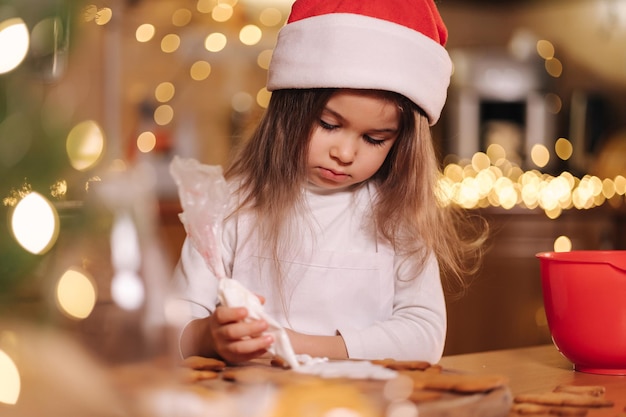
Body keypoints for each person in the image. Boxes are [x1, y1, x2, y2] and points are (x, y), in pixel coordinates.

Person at [174, 0, 487, 365]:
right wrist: (209, 336)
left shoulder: (398, 218)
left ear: (400, 143)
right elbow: (173, 328)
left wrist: (295, 345)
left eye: (374, 139)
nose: (345, 152)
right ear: (288, 112)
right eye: (329, 124)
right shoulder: (229, 207)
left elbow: (423, 337)